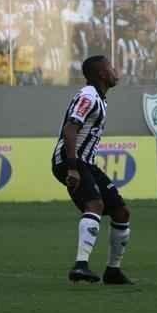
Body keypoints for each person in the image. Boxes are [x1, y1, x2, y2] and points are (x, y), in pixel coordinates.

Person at [50, 54, 133, 285]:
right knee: (94, 204)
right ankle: (81, 265)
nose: (116, 72)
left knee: (121, 212)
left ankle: (113, 271)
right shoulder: (88, 96)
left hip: (86, 162)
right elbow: (70, 129)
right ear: (102, 74)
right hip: (71, 161)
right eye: (111, 68)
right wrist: (72, 168)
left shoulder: (99, 98)